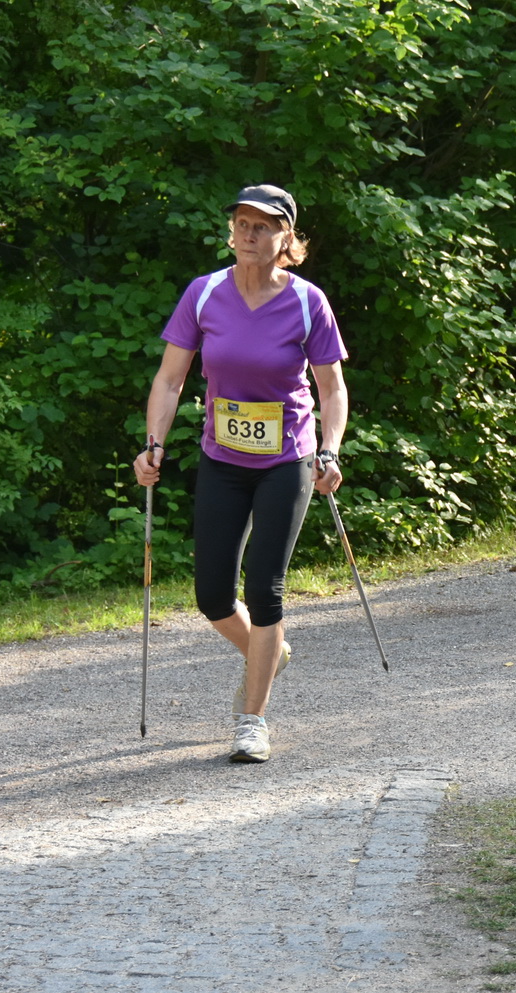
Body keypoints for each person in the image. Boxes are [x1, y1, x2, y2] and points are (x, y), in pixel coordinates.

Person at [133, 184, 349, 763]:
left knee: (265, 587)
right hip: (223, 459)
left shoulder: (307, 302)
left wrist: (329, 450)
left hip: (287, 459)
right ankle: (268, 652)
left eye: (263, 226)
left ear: (287, 240)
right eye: (241, 224)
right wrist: (152, 444)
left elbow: (331, 388)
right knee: (211, 596)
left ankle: (252, 720)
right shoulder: (204, 295)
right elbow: (170, 380)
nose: (249, 234)